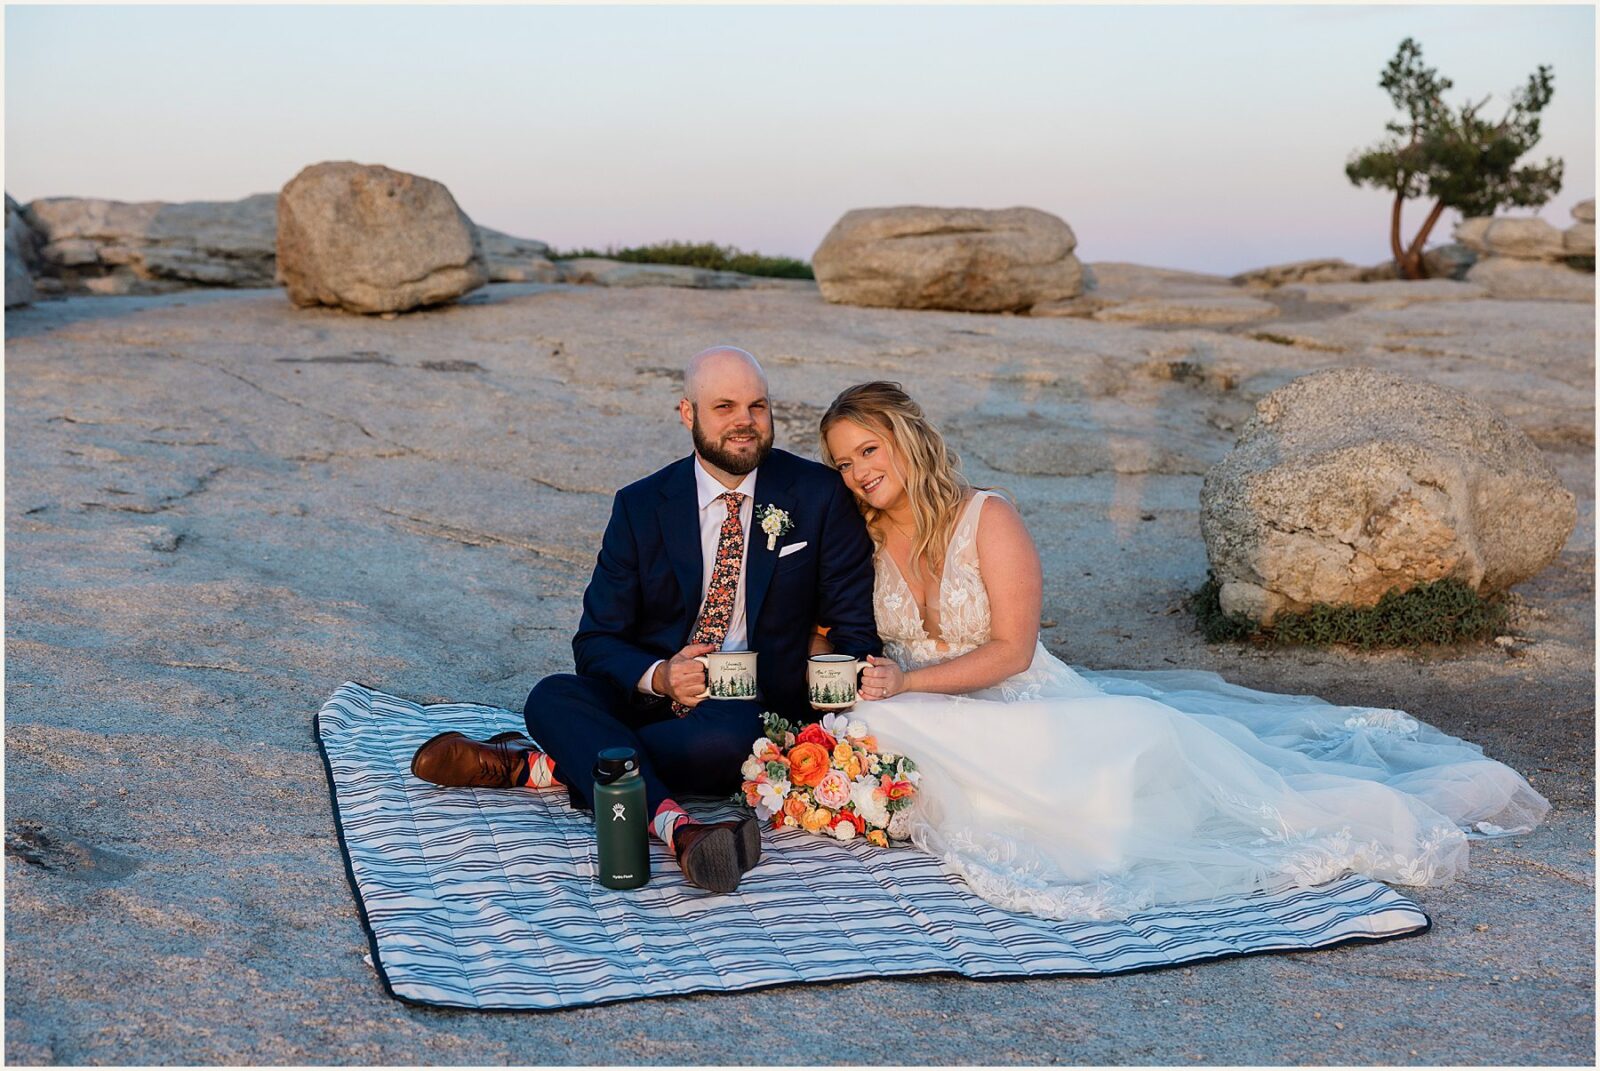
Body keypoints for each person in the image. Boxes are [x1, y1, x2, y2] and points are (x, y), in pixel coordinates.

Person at [819, 381, 1550, 920]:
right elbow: (828, 627)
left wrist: (909, 677)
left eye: (868, 449)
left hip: (1016, 695)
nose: (858, 471)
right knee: (864, 719)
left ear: (907, 438)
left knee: (1116, 778)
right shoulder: (864, 540)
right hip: (929, 704)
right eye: (844, 463)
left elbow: (1012, 650)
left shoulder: (989, 516)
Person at [412, 347, 880, 894]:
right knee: (551, 697)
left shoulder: (818, 496)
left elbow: (854, 628)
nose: (744, 422)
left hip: (746, 710)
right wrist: (661, 675)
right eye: (724, 406)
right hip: (652, 697)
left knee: (729, 741)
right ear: (688, 413)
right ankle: (677, 828)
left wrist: (825, 696)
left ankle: (541, 767)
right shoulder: (639, 506)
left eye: (757, 406)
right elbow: (595, 642)